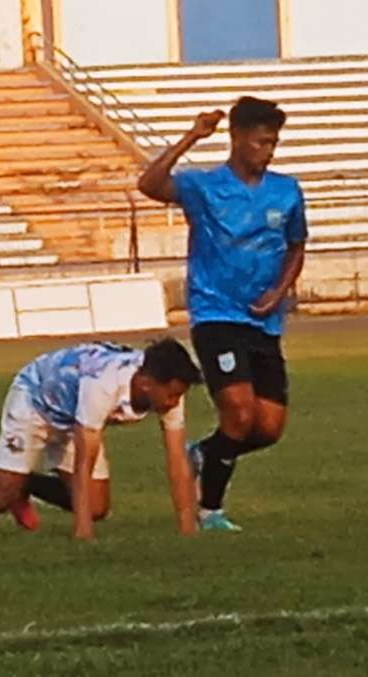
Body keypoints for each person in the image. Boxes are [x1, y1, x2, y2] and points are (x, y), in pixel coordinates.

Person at [137, 96, 308, 532]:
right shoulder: (204, 187)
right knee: (239, 411)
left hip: (264, 321)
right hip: (216, 314)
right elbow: (150, 184)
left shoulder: (286, 192)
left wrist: (279, 291)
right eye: (259, 142)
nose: (267, 152)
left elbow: (296, 246)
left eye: (272, 143)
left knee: (269, 427)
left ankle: (205, 454)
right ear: (236, 138)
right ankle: (211, 510)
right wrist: (192, 136)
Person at [0, 338, 202, 548]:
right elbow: (84, 457)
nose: (176, 400)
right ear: (147, 384)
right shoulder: (103, 384)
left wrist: (188, 527)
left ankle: (27, 487)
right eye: (172, 393)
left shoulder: (166, 390)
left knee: (97, 507)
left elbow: (176, 458)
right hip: (35, 399)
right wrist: (83, 532)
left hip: (71, 413)